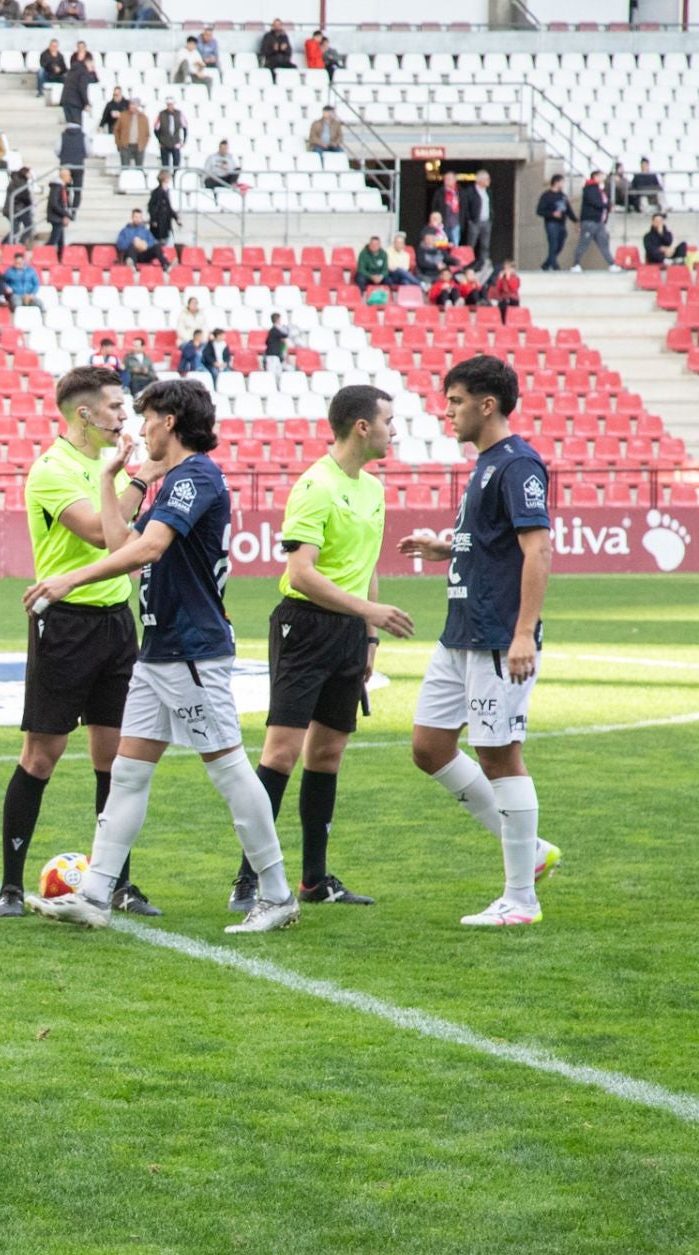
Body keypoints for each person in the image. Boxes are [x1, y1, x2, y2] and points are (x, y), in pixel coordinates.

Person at [24, 379, 298, 933]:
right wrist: (109, 479)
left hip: (192, 651)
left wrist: (67, 579)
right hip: (161, 650)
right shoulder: (172, 480)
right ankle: (96, 896)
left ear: (170, 421)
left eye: (146, 416)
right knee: (127, 774)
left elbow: (146, 550)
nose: (138, 426)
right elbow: (120, 542)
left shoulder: (195, 476)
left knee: (228, 771)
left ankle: (276, 894)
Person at [215, 385, 408, 910]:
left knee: (327, 754)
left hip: (348, 634)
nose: (396, 430)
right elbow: (300, 575)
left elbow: (366, 570)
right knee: (280, 752)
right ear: (362, 427)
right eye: (390, 420)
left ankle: (314, 880)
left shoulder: (372, 489)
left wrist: (368, 638)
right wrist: (369, 614)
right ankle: (247, 879)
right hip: (304, 628)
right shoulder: (315, 486)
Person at [0, 363, 173, 912]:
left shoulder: (109, 466)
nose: (124, 417)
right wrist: (142, 479)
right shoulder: (52, 469)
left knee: (115, 760)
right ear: (84, 413)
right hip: (64, 624)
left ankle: (117, 882)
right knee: (41, 756)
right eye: (116, 408)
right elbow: (104, 534)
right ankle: (8, 885)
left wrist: (131, 478)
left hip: (117, 623)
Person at [398, 356, 560, 927]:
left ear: (487, 404)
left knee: (498, 753)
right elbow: (493, 540)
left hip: (496, 634)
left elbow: (537, 549)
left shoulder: (518, 465)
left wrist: (523, 634)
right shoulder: (486, 464)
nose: (448, 412)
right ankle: (531, 848)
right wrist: (449, 547)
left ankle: (521, 899)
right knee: (428, 747)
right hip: (460, 629)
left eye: (457, 401)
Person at [571, 171, 620, 272]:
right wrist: (608, 206)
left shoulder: (598, 189)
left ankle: (612, 264)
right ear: (595, 176)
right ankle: (576, 264)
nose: (602, 178)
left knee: (604, 243)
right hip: (590, 221)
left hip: (599, 222)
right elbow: (595, 202)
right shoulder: (590, 188)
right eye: (601, 176)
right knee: (583, 243)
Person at [534, 173, 574, 272]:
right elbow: (539, 211)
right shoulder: (546, 196)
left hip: (561, 224)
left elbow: (568, 210)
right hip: (551, 223)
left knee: (560, 245)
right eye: (562, 182)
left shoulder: (563, 196)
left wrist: (576, 221)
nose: (563, 184)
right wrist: (552, 214)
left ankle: (546, 264)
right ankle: (555, 266)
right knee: (553, 244)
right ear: (556, 182)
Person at [460, 170, 493, 265]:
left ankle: (484, 263)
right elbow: (465, 207)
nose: (489, 181)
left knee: (485, 245)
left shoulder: (488, 192)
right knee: (471, 244)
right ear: (480, 180)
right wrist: (470, 220)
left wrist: (491, 217)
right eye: (487, 179)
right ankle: (468, 263)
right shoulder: (470, 192)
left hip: (486, 221)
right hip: (475, 221)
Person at [114, 96, 150, 168]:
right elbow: (116, 130)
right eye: (131, 104)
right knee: (125, 168)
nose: (133, 106)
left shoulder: (144, 117)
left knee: (139, 168)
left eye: (135, 104)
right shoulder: (123, 115)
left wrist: (143, 144)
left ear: (138, 106)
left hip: (139, 146)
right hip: (125, 146)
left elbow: (147, 133)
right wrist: (119, 143)